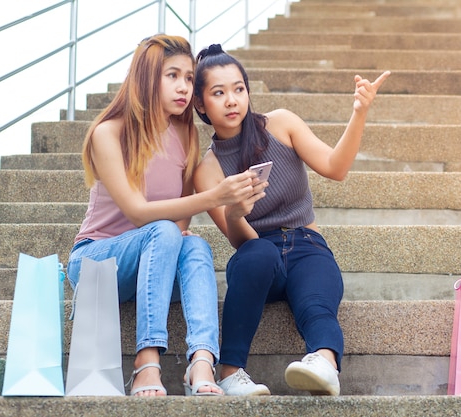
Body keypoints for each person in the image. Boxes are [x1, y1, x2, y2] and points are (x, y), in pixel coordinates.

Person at [66, 35, 264, 397]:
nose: (184, 87)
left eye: (189, 78)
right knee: (162, 230)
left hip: (153, 264)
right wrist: (214, 196)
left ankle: (202, 362)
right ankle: (146, 361)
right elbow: (137, 212)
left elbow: (180, 215)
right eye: (172, 76)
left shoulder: (184, 132)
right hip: (98, 263)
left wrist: (184, 228)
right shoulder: (108, 133)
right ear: (146, 77)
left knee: (196, 246)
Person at [192, 43, 390, 396]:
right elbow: (240, 241)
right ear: (200, 104)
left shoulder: (280, 124)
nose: (232, 100)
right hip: (258, 253)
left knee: (316, 300)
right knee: (258, 255)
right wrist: (237, 211)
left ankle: (324, 363)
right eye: (218, 93)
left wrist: (359, 113)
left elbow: (336, 167)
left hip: (306, 245)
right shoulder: (207, 169)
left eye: (239, 89)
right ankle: (231, 371)